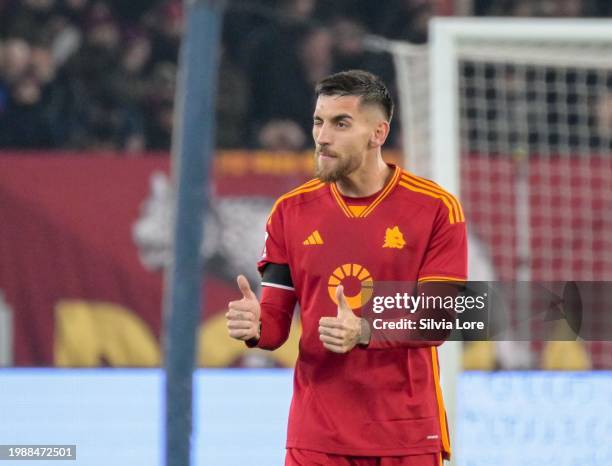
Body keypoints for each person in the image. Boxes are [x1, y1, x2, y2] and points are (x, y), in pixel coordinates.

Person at [226, 70, 467, 466]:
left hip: (405, 435)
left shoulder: (436, 209)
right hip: (316, 436)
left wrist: (365, 330)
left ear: (378, 133)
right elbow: (274, 325)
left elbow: (439, 319)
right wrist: (255, 328)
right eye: (319, 122)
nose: (322, 136)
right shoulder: (290, 211)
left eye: (341, 123)